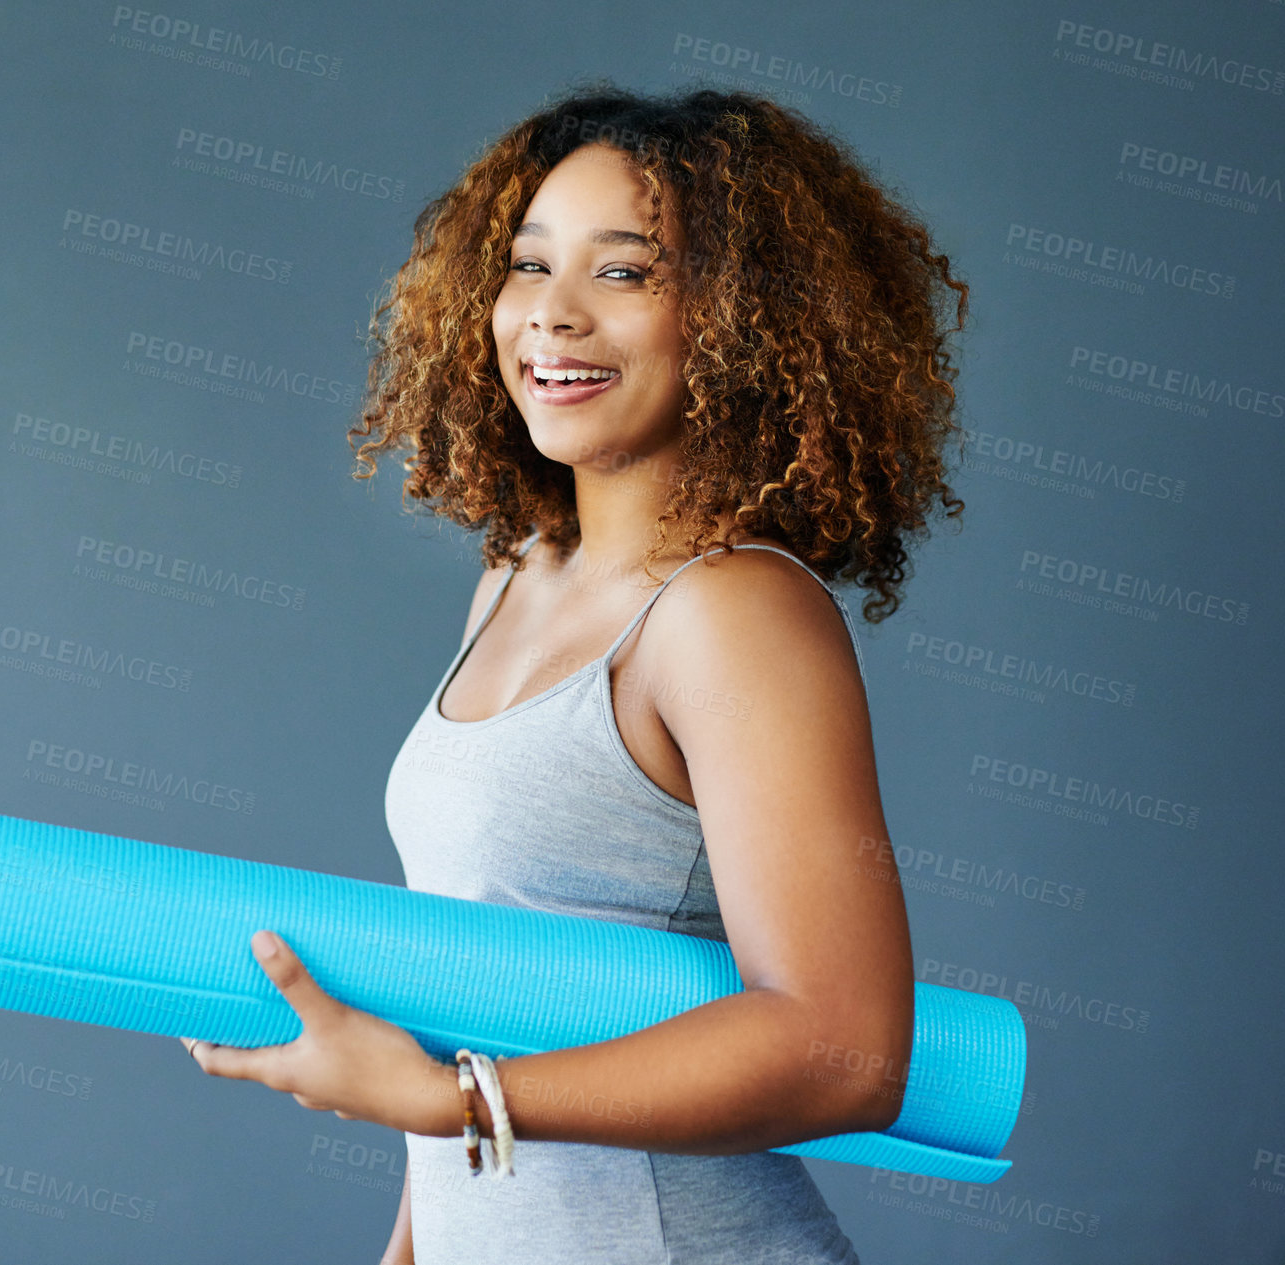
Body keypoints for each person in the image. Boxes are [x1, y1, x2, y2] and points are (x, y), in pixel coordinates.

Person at [180, 81, 969, 1263]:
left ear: (744, 320)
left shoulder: (730, 611)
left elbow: (842, 1046)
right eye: (526, 264)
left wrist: (452, 1099)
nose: (549, 316)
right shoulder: (514, 576)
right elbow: (466, 990)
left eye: (623, 271)